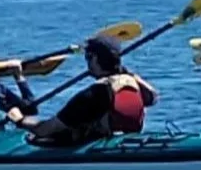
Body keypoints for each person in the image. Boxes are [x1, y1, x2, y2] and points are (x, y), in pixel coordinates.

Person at [22, 35, 156, 149]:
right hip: (126, 140)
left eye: (88, 57)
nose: (87, 62)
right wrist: (125, 71)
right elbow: (152, 98)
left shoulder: (95, 93)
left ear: (96, 59)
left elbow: (46, 129)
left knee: (57, 134)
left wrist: (19, 119)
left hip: (100, 145)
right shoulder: (132, 82)